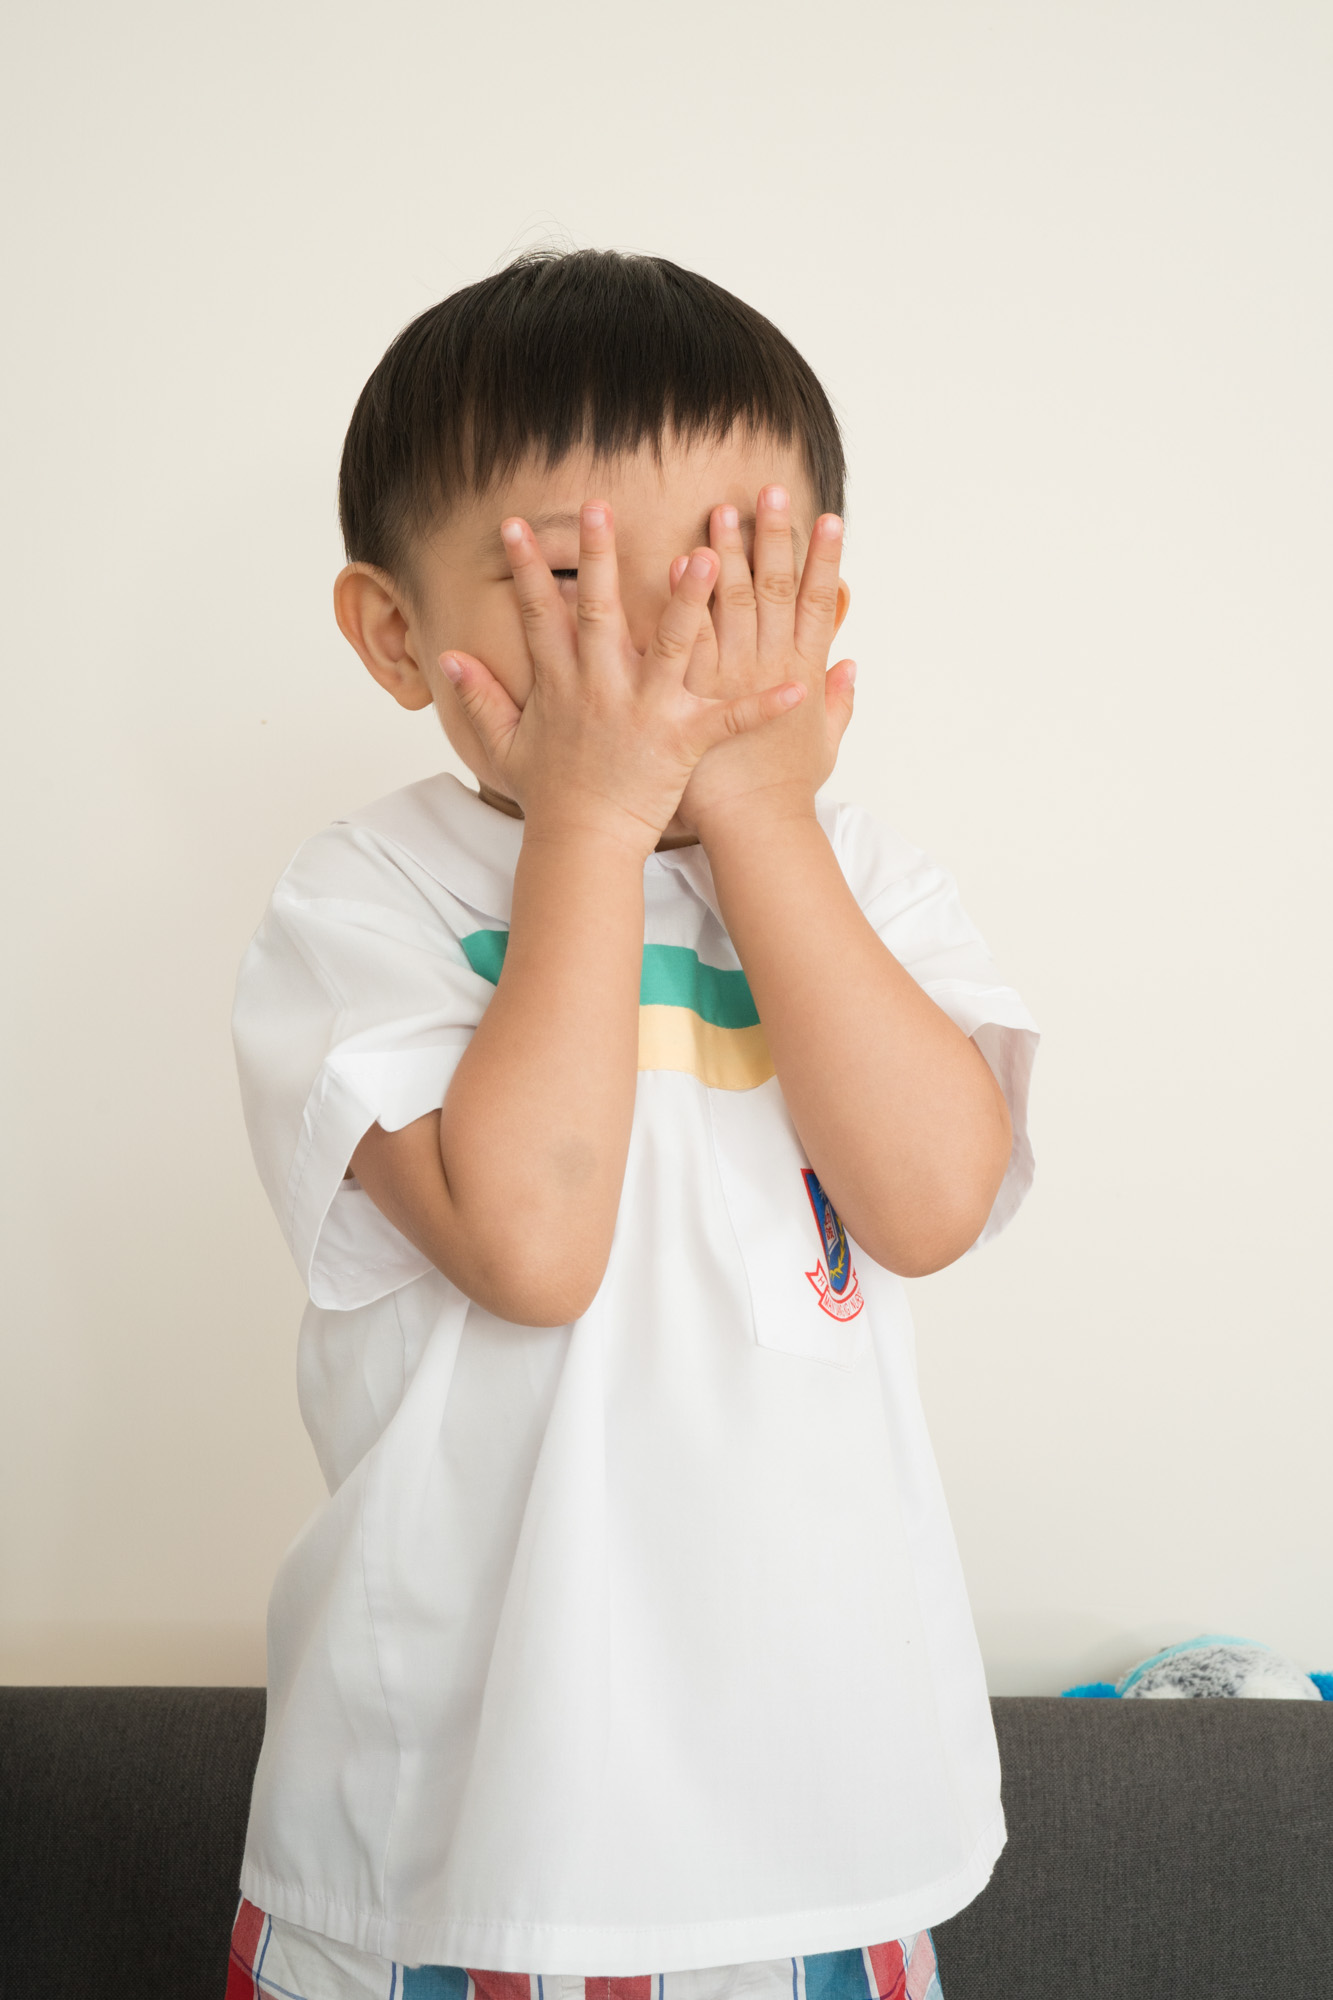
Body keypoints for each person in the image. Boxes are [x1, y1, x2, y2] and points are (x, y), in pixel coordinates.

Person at [227, 247, 1039, 2000]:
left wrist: (762, 819)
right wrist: (589, 826)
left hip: (820, 1832)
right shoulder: (366, 900)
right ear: (394, 634)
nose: (660, 647)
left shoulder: (862, 882)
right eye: (569, 583)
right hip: (450, 1846)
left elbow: (927, 1203)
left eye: (723, 578)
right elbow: (529, 1247)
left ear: (815, 605)